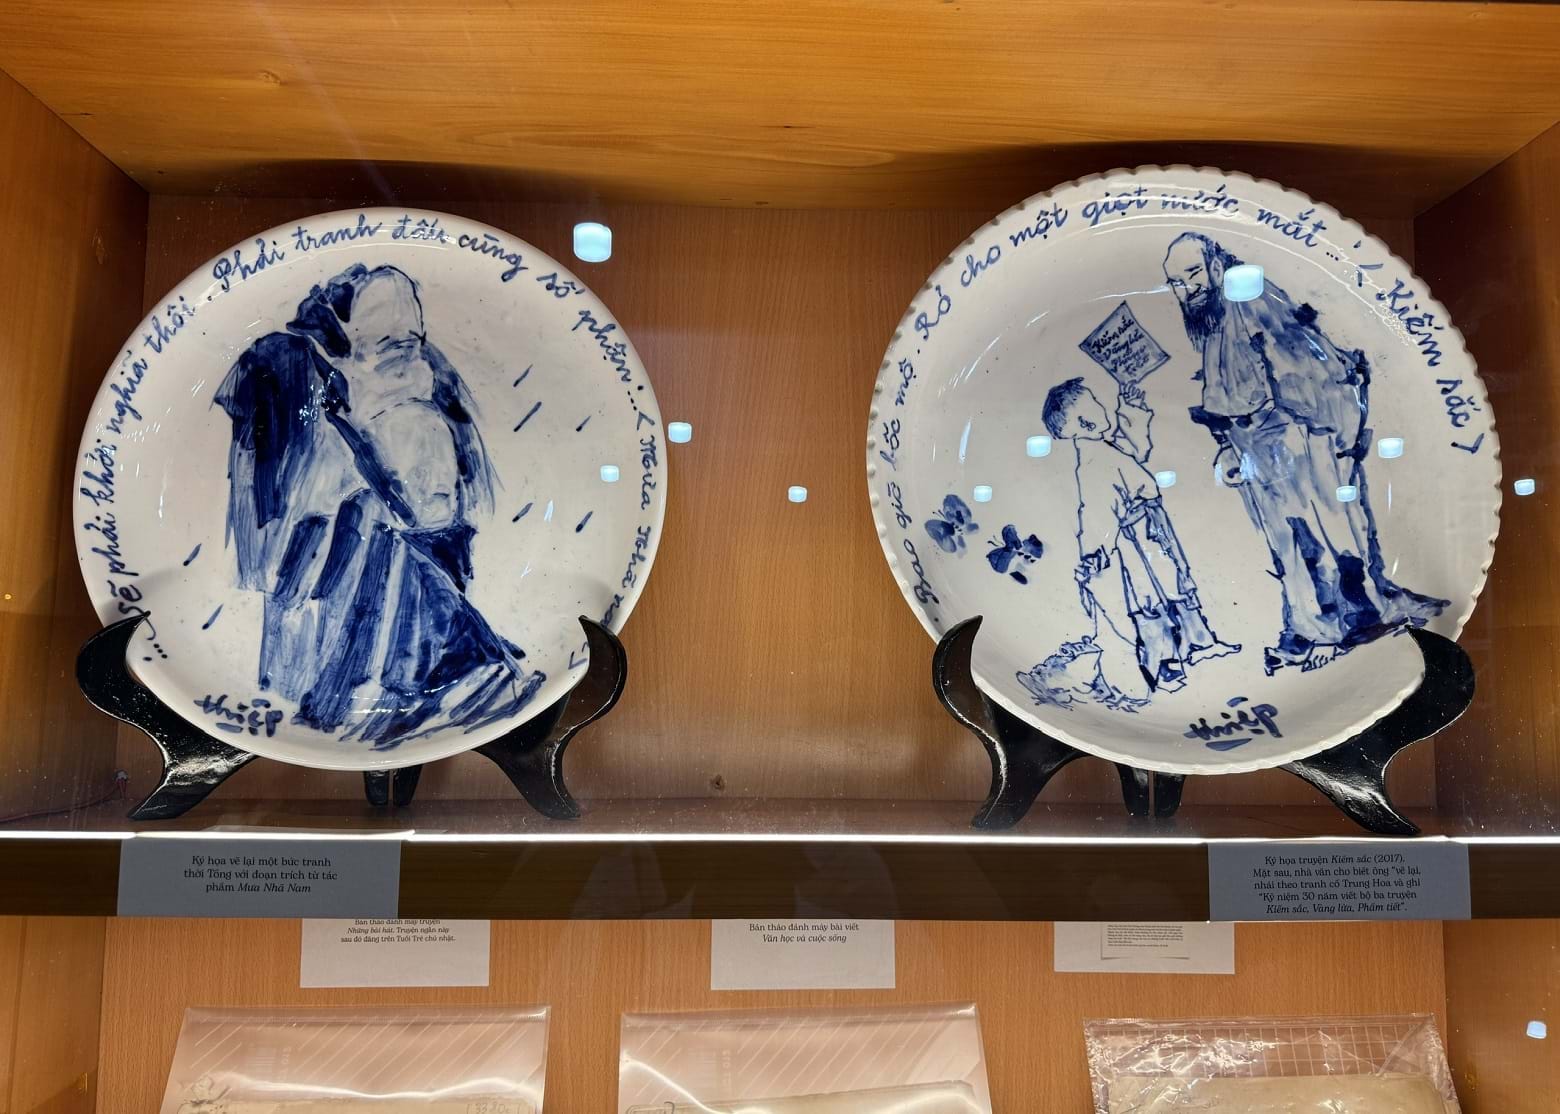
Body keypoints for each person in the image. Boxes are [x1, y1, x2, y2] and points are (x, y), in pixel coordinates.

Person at [215, 263, 543, 747]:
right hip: (336, 553)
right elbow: (278, 498)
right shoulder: (292, 372)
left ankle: (450, 687)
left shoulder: (422, 391)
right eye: (389, 343)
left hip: (402, 551)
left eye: (411, 341)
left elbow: (452, 497)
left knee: (410, 598)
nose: (407, 353)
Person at [1162, 233, 1447, 673]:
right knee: (1290, 541)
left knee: (1322, 532)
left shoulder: (1252, 298)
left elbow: (1303, 367)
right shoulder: (1214, 320)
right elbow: (1225, 390)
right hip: (1257, 444)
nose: (1187, 288)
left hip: (1290, 435)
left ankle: (1351, 618)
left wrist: (1315, 434)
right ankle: (1311, 625)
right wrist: (1229, 445)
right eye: (1176, 283)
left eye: (1193, 273)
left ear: (1217, 266)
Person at [1035, 376, 1237, 707]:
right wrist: (1096, 554)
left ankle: (1199, 643)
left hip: (1151, 529)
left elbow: (1134, 448)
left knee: (1175, 586)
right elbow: (1097, 515)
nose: (1100, 407)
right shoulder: (1093, 464)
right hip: (1134, 542)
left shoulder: (1105, 448)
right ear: (1084, 423)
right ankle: (1166, 666)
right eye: (1093, 405)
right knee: (1150, 601)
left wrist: (1130, 408)